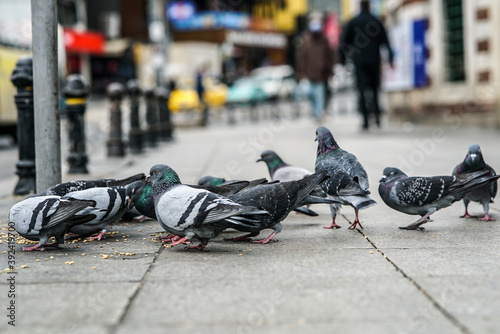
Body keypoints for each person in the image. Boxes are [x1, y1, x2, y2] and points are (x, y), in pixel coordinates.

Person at [339, 0, 393, 130]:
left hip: (359, 61)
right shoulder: (376, 21)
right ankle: (377, 118)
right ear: (369, 6)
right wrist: (390, 58)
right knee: (375, 89)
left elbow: (343, 42)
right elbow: (386, 41)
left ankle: (365, 120)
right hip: (374, 60)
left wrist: (343, 61)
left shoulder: (353, 22)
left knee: (362, 89)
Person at [296, 12, 335, 122]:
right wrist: (301, 73)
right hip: (309, 75)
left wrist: (330, 71)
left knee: (320, 96)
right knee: (312, 96)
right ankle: (316, 112)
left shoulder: (324, 40)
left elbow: (330, 56)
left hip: (321, 75)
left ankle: (318, 114)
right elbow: (301, 58)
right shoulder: (305, 40)